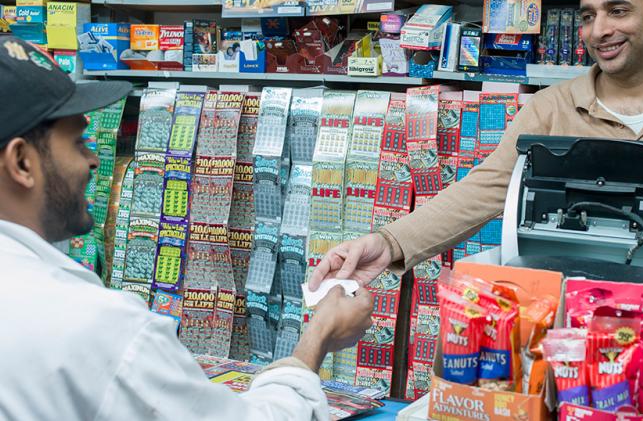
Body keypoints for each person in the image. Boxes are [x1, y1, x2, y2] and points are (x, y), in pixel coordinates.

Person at [309, 0, 643, 292]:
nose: (599, 31)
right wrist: (388, 242)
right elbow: (485, 188)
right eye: (587, 16)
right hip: (566, 319)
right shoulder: (552, 108)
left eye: (617, 11)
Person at [0, 36, 373, 420]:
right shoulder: (100, 329)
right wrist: (317, 339)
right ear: (22, 163)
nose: (93, 160)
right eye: (78, 143)